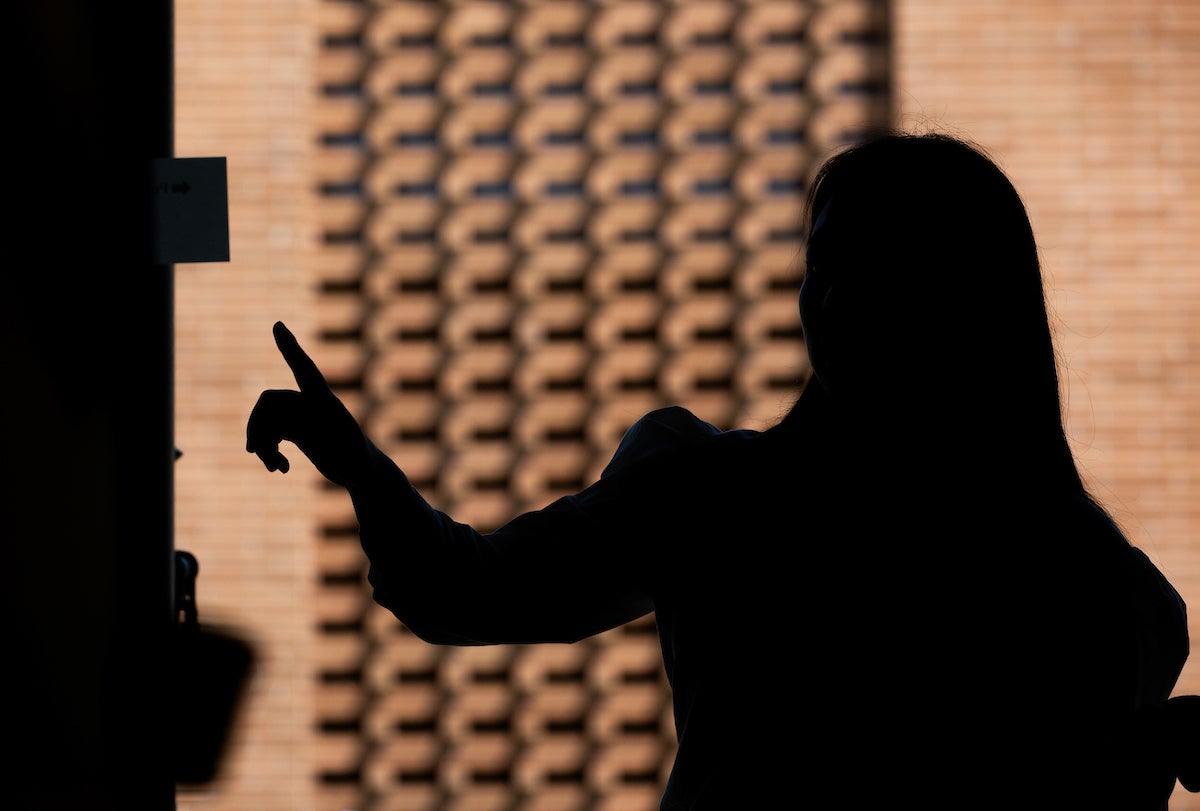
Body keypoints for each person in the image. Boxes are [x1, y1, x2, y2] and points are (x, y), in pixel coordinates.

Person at [247, 131, 1196, 809]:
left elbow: (462, 589)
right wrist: (360, 466)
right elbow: (469, 589)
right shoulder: (1107, 589)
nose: (832, 298)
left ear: (961, 302)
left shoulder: (1105, 590)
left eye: (874, 269)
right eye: (821, 265)